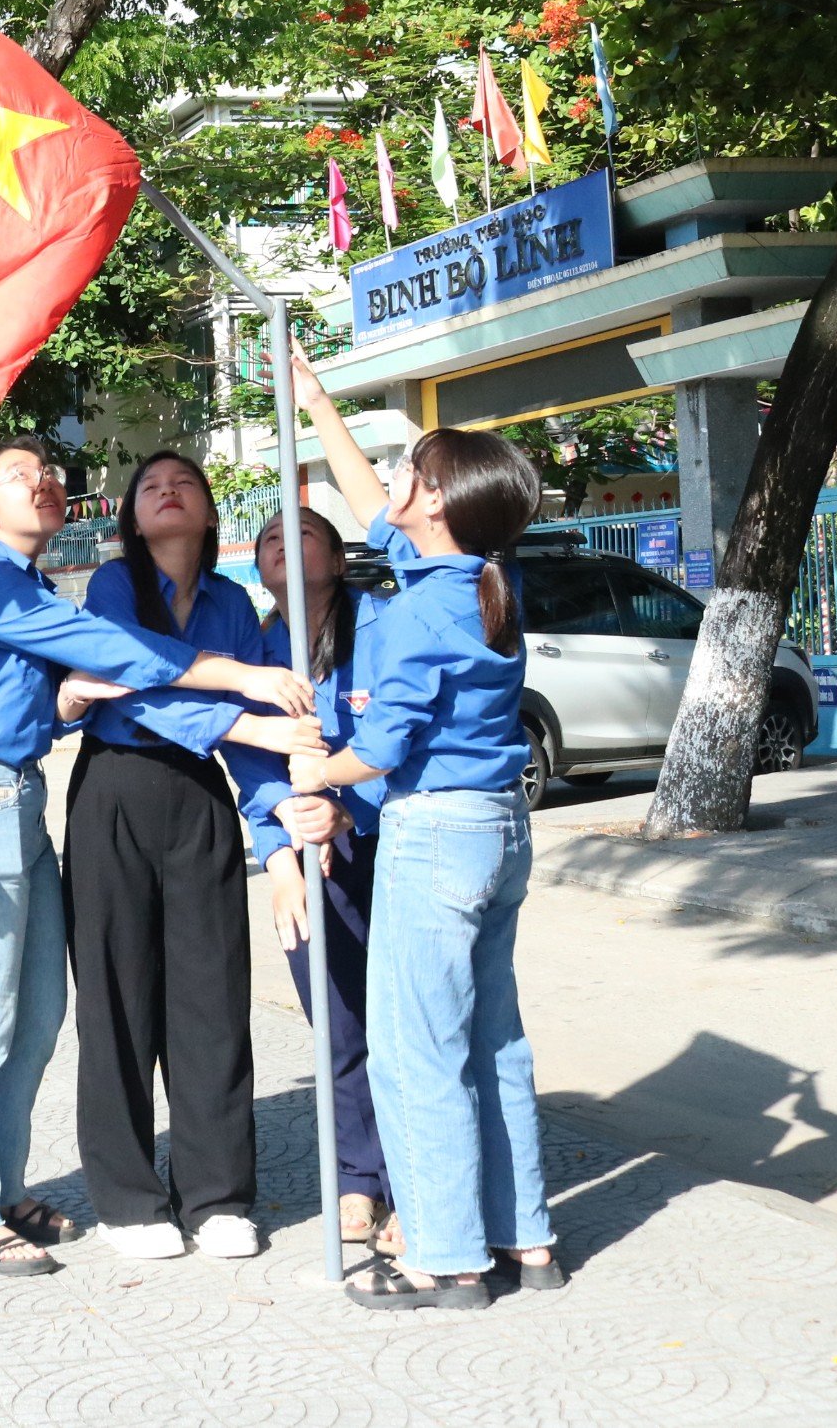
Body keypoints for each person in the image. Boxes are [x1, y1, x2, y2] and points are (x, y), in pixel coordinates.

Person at [0, 437, 312, 1277]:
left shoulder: (38, 586)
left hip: (29, 796)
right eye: (22, 477)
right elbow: (128, 661)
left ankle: (36, 1189)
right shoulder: (44, 582)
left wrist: (273, 838)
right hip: (12, 799)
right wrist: (239, 687)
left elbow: (56, 699)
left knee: (47, 1009)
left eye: (50, 472)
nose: (45, 482)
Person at [286, 353, 561, 1311]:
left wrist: (317, 768)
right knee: (494, 1042)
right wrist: (319, 406)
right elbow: (377, 501)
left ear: (435, 500)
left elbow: (384, 745)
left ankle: (444, 1258)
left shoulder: (414, 616)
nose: (395, 477)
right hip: (497, 830)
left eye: (412, 468)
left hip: (436, 834)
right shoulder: (477, 580)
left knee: (418, 1048)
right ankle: (525, 1240)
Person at [62, 452, 325, 1262]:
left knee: (211, 998)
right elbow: (135, 683)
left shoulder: (235, 606)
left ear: (211, 514)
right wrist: (247, 721)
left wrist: (276, 839)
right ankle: (130, 1196)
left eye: (184, 483)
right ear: (133, 520)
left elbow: (258, 739)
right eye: (148, 486)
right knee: (118, 999)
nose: (167, 490)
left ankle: (216, 1193)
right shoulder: (111, 589)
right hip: (114, 792)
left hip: (199, 802)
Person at [235, 504, 393, 1249]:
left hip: (387, 846)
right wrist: (283, 846)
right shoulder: (255, 652)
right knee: (336, 1021)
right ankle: (359, 1178)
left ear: (335, 555)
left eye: (300, 533)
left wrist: (347, 810)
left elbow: (405, 738)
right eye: (267, 538)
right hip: (303, 857)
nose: (280, 544)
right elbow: (251, 765)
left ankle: (420, 1176)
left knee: (403, 1016)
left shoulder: (382, 625)